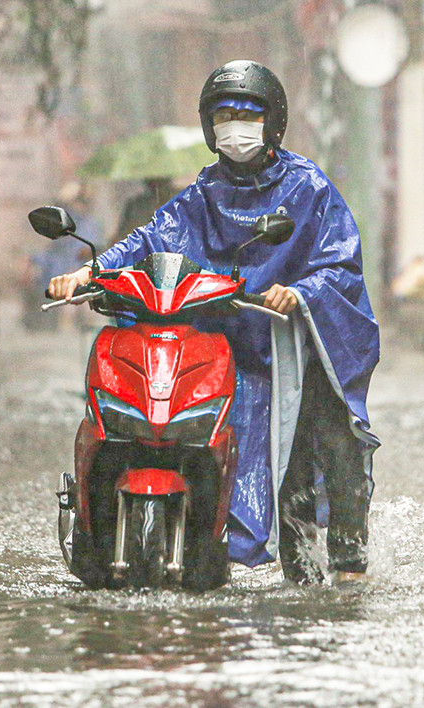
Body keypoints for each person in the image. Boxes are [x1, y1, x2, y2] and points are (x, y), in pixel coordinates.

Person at [49, 60, 380, 585]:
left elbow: (340, 263)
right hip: (221, 349)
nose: (236, 125)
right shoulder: (201, 196)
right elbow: (149, 240)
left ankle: (346, 567)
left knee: (326, 440)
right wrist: (89, 271)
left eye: (248, 114)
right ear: (209, 126)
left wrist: (298, 292)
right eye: (225, 114)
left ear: (273, 123)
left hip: (291, 350)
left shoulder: (308, 188)